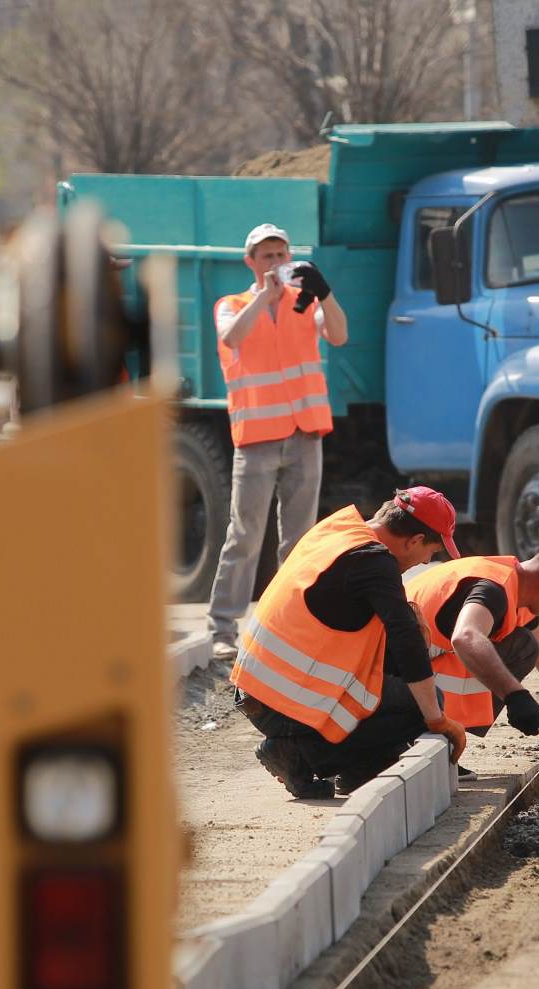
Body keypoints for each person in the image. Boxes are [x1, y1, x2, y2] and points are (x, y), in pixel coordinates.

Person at [233, 487, 470, 800]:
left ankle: (357, 769)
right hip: (283, 702)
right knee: (425, 702)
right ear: (413, 541)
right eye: (432, 552)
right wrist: (436, 719)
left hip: (256, 689)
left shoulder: (339, 529)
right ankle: (298, 753)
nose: (427, 562)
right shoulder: (374, 561)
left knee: (397, 687)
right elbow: (404, 638)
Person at [207, 222, 350, 663]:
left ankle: (288, 626)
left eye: (280, 255)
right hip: (257, 439)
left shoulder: (305, 302)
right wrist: (265, 299)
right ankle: (223, 627)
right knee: (245, 534)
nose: (274, 263)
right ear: (250, 262)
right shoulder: (232, 305)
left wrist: (325, 293)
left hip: (304, 433)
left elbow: (340, 335)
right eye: (265, 256)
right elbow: (231, 337)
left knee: (299, 539)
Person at [406, 550, 539, 757]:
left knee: (523, 644)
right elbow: (465, 637)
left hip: (410, 666)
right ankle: (424, 739)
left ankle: (443, 739)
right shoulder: (493, 589)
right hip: (385, 679)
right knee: (515, 647)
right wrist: (515, 695)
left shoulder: (517, 584)